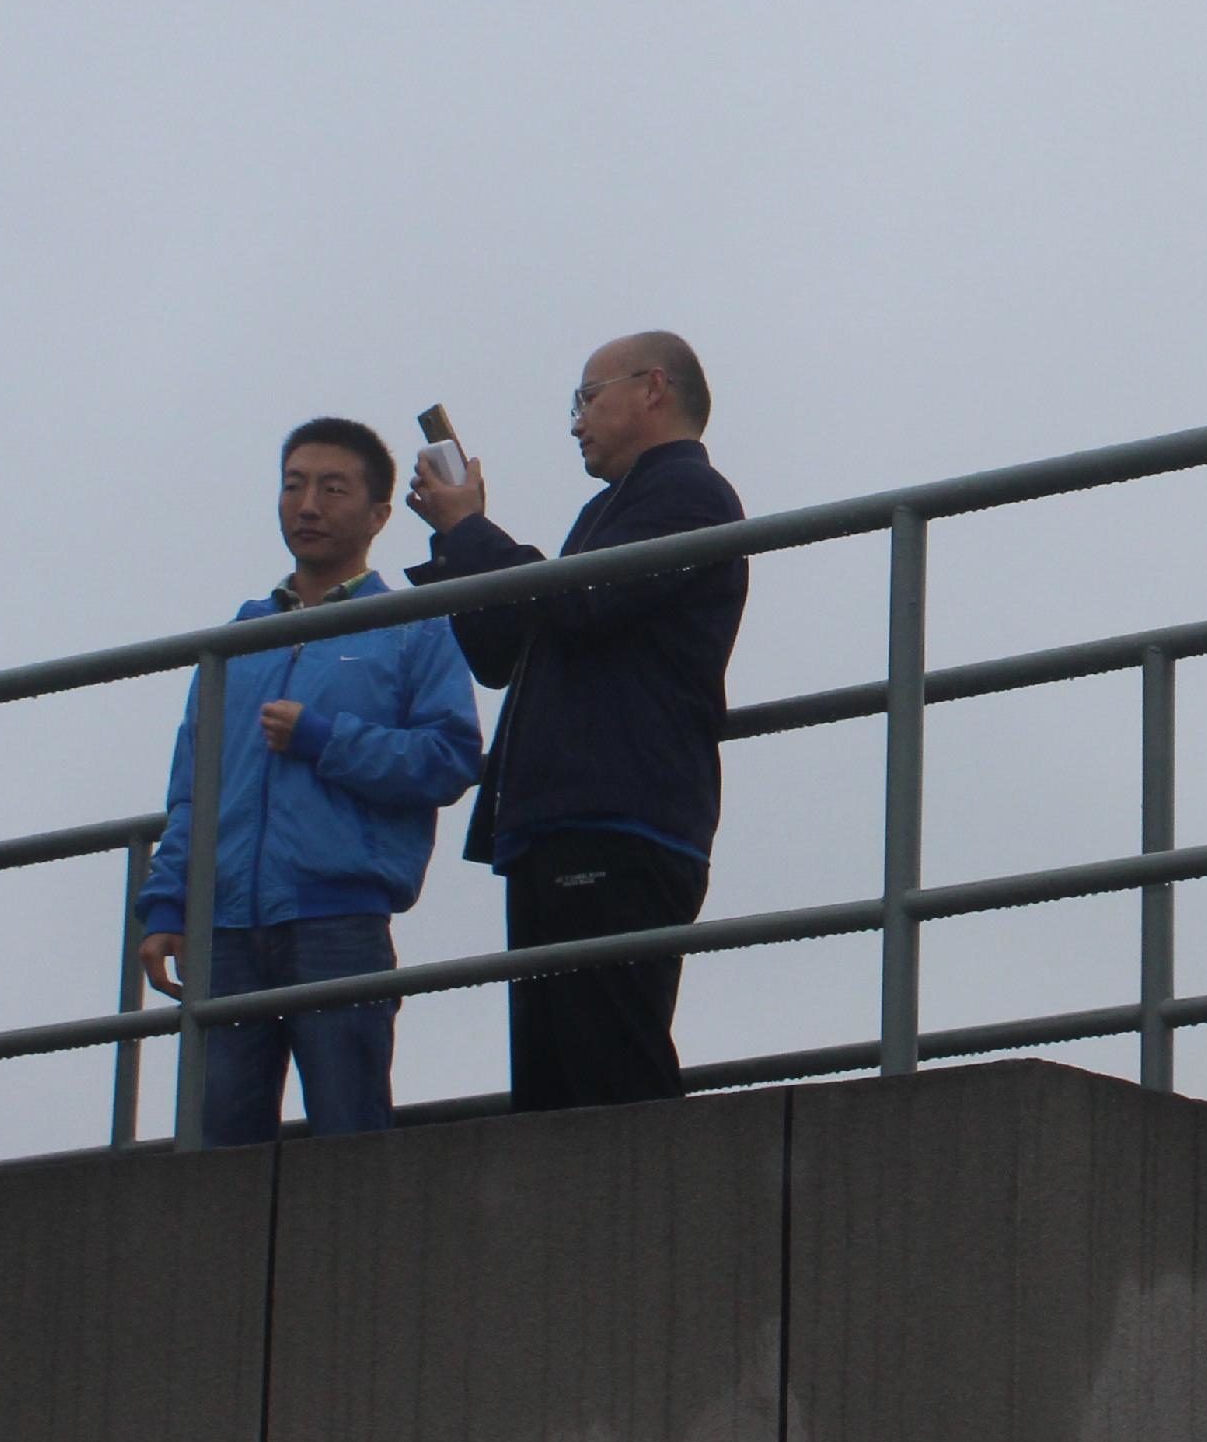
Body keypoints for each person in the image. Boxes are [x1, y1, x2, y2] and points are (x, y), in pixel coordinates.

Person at [408, 331, 748, 1113]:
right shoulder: (612, 509)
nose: (575, 422)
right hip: (562, 818)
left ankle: (659, 1196)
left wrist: (472, 534)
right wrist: (457, 541)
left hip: (618, 816)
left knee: (610, 1065)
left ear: (652, 389)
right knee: (554, 1084)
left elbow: (583, 602)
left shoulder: (691, 493)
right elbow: (505, 652)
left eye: (587, 398)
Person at [134, 419, 483, 1144]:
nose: (308, 505)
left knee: (350, 1144)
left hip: (340, 919)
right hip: (226, 928)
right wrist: (166, 903)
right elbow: (191, 788)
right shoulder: (235, 638)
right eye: (293, 486)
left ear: (379, 514)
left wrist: (325, 740)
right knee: (219, 1153)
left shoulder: (413, 624)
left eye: (332, 488)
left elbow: (449, 758)